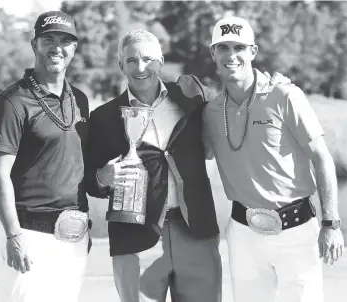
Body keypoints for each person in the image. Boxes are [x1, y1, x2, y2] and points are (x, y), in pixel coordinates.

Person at [85, 29, 287, 302]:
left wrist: (267, 86)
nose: (141, 67)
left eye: (148, 59)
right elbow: (92, 183)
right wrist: (104, 177)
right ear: (121, 65)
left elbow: (232, 104)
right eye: (131, 60)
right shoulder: (103, 117)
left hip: (196, 232)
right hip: (136, 239)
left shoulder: (190, 93)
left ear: (161, 61)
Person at [203, 16, 345, 302]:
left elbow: (322, 158)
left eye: (239, 48)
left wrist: (331, 224)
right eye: (224, 47)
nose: (232, 55)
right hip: (243, 236)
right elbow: (197, 155)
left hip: (297, 232)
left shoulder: (285, 95)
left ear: (253, 52)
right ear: (213, 54)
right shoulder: (210, 112)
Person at [0, 11, 91, 302]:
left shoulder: (79, 99)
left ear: (74, 48)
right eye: (48, 39)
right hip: (28, 236)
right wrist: (13, 236)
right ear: (35, 45)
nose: (57, 47)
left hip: (74, 238)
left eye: (65, 40)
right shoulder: (11, 102)